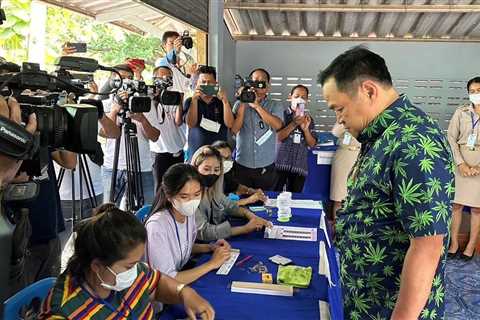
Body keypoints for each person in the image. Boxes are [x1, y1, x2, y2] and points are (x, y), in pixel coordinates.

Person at [319, 46, 454, 319]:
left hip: (391, 309)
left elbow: (427, 246)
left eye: (340, 108)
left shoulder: (413, 141)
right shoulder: (381, 135)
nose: (340, 119)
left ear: (369, 90)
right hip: (368, 301)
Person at [38, 205, 214, 320]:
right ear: (97, 266)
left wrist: (184, 292)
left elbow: (155, 282)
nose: (137, 269)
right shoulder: (64, 312)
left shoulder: (125, 272)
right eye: (130, 265)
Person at [145, 163, 231, 285]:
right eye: (184, 196)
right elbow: (166, 279)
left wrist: (210, 247)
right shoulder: (157, 226)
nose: (192, 201)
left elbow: (182, 247)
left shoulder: (188, 214)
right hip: (162, 293)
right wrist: (211, 264)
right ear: (169, 196)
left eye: (197, 194)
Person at [101, 64, 160, 207]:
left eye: (129, 78)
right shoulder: (106, 104)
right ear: (111, 81)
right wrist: (115, 111)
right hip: (113, 166)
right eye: (121, 78)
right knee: (107, 211)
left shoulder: (145, 103)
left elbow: (155, 136)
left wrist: (142, 119)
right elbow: (104, 134)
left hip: (141, 167)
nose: (125, 82)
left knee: (146, 211)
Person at [190, 146, 272, 241]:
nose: (212, 173)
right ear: (195, 169)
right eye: (206, 169)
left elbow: (231, 207)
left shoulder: (212, 191)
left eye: (216, 170)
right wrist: (244, 229)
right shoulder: (189, 197)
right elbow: (205, 232)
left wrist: (252, 217)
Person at [231, 68, 284, 191]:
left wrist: (256, 106)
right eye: (254, 81)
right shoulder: (239, 104)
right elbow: (234, 130)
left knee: (265, 201)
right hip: (242, 164)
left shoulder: (275, 105)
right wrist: (244, 102)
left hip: (265, 166)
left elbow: (277, 126)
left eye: (261, 82)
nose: (257, 85)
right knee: (242, 201)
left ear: (267, 87)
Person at [447, 76, 480, 260]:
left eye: (479, 91)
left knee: (477, 209)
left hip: (479, 168)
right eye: (472, 92)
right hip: (460, 164)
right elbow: (451, 138)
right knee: (456, 206)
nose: (476, 95)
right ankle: (454, 244)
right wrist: (460, 163)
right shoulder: (461, 112)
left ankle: (470, 246)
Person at [150, 66, 187, 193]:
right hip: (160, 152)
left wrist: (180, 101)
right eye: (162, 78)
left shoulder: (174, 95)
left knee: (177, 188)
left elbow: (178, 121)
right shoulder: (149, 97)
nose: (165, 81)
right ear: (154, 79)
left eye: (168, 78)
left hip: (177, 150)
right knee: (160, 190)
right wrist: (154, 99)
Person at [274, 85, 317, 192]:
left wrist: (305, 129)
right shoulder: (282, 114)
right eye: (297, 96)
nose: (300, 99)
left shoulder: (308, 119)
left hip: (299, 166)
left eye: (303, 97)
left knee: (295, 198)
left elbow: (312, 144)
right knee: (275, 194)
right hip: (280, 164)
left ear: (307, 100)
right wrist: (294, 123)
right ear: (290, 97)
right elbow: (277, 137)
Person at [184, 65, 234, 156]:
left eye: (210, 82)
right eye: (203, 82)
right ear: (197, 84)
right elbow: (191, 124)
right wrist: (194, 100)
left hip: (219, 153)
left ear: (216, 84)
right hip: (197, 153)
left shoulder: (222, 102)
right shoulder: (190, 101)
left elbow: (230, 124)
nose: (206, 85)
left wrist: (225, 102)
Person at [212, 140, 267, 206]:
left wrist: (250, 190)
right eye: (222, 158)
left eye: (229, 157)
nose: (226, 161)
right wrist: (249, 200)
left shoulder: (226, 173)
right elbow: (220, 205)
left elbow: (236, 186)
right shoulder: (210, 178)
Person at [329, 121, 360, 221]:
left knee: (358, 197)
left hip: (361, 154)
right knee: (339, 196)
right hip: (344, 155)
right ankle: (337, 228)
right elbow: (335, 132)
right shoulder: (345, 114)